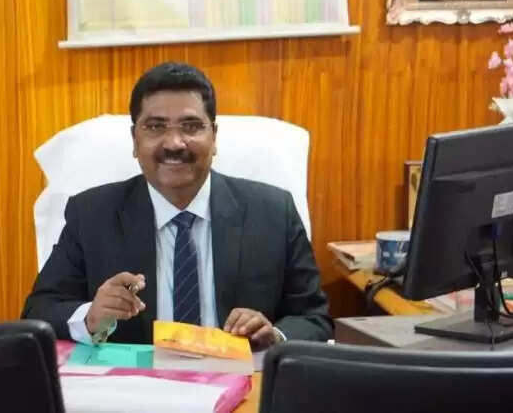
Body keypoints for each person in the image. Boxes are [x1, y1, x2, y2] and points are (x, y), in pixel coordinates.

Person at [22, 62, 333, 349]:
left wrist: (274, 335)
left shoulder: (273, 212)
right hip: (135, 383)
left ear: (214, 137)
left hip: (241, 381)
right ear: (135, 140)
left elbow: (313, 318)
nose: (174, 143)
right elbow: (39, 310)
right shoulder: (91, 214)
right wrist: (90, 317)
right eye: (155, 127)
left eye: (191, 126)